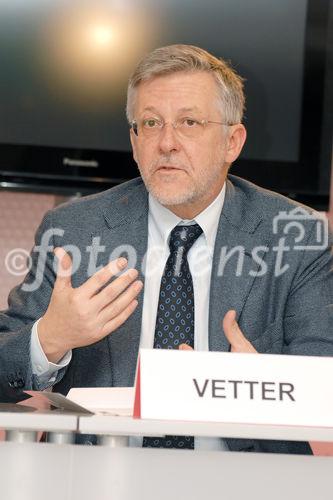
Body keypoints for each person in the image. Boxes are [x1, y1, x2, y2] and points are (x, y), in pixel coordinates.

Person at [0, 45, 332, 454]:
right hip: (97, 472)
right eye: (151, 123)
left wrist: (262, 386)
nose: (167, 143)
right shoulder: (72, 230)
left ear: (233, 141)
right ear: (135, 142)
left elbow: (323, 381)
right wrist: (50, 338)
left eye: (189, 122)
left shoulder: (296, 234)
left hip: (245, 479)